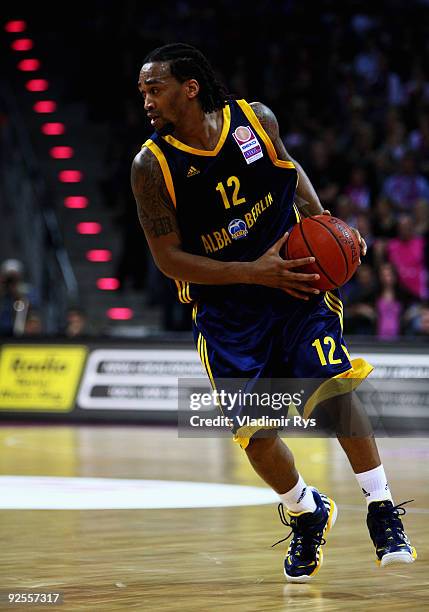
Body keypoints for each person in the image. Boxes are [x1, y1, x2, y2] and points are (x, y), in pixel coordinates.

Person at [131, 43, 416, 581]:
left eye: (155, 88)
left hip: (297, 286)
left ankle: (381, 508)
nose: (146, 100)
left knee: (335, 387)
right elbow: (169, 260)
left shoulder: (254, 121)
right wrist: (252, 272)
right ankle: (307, 509)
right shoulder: (151, 166)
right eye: (143, 91)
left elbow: (291, 168)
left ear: (190, 87)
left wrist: (325, 220)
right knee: (256, 437)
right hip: (227, 312)